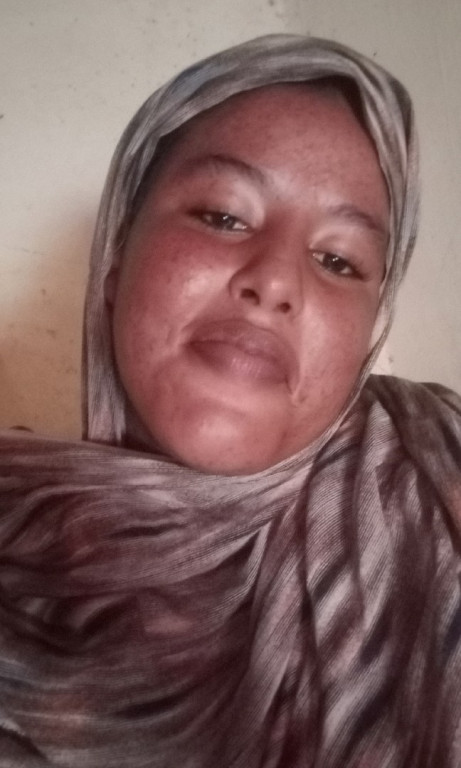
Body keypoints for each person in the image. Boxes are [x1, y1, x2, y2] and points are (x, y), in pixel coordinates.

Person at [0, 34, 460, 768]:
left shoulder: (433, 474)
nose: (274, 281)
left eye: (338, 260)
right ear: (115, 260)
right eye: (223, 217)